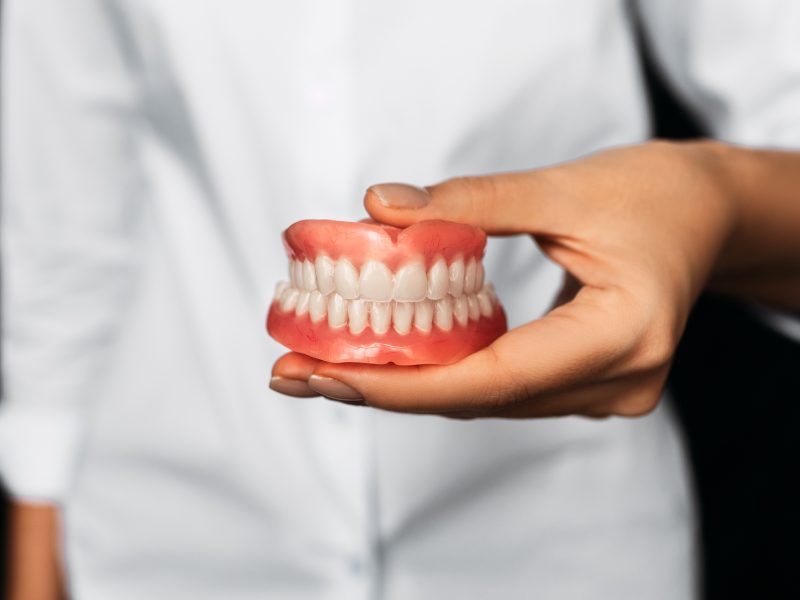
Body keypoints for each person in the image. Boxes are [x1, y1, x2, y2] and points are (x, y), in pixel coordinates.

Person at [1, 1, 798, 599]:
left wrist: (720, 205)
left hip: (561, 546)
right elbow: (64, 217)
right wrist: (35, 537)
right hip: (165, 540)